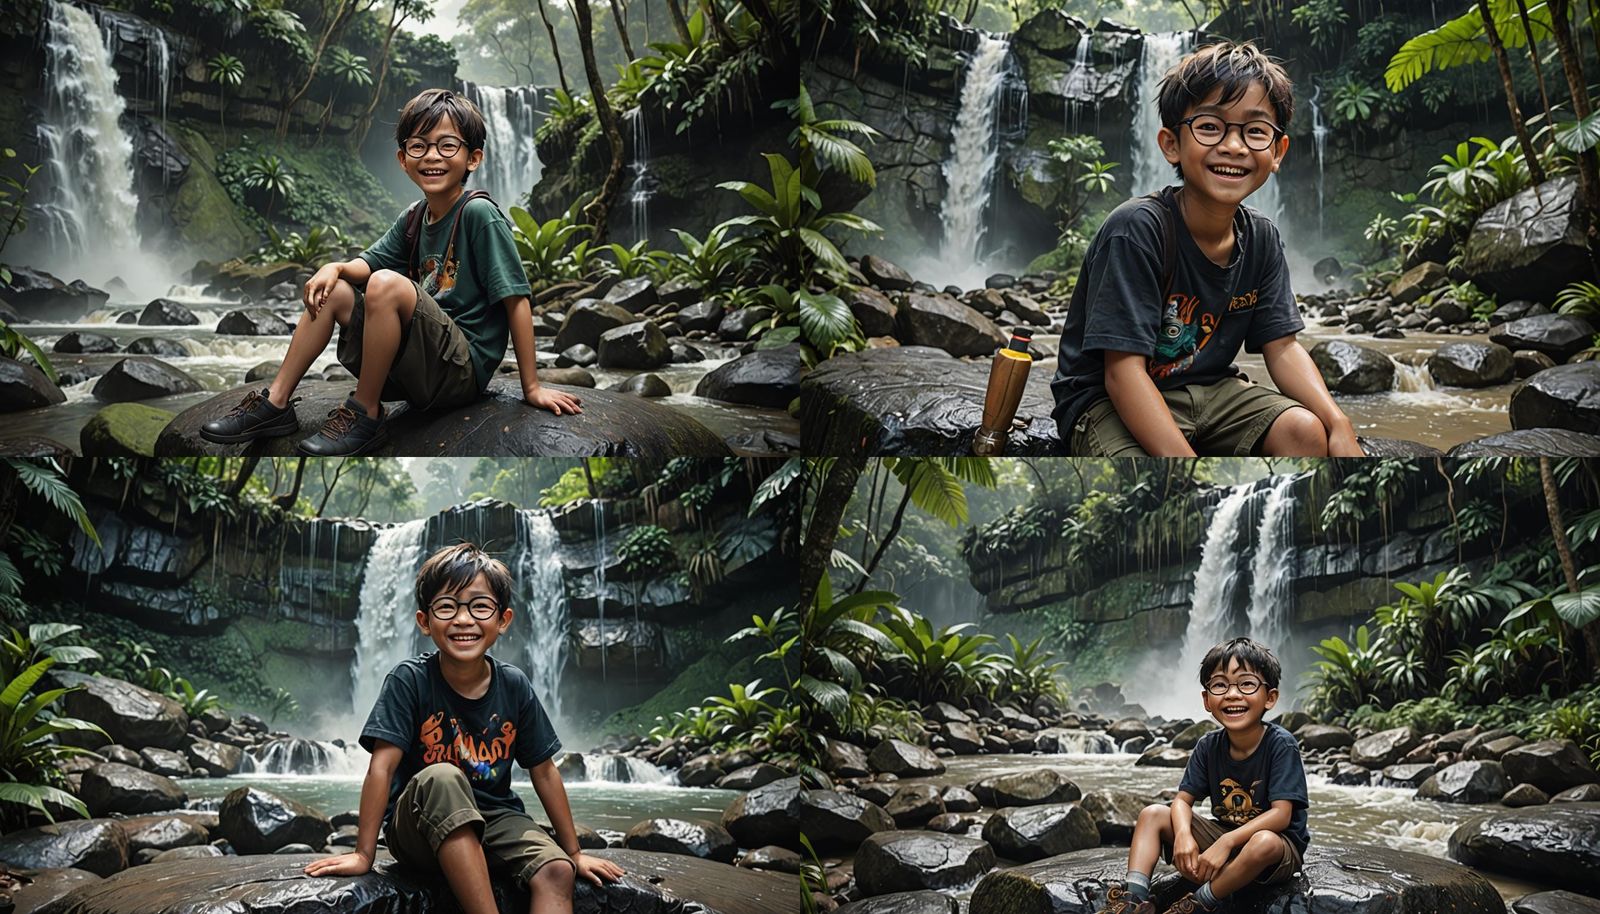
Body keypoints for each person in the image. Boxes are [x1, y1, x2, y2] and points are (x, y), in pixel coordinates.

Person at [200, 88, 581, 455]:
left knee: (385, 284)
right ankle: (277, 403)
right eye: (419, 146)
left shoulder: (479, 214)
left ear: (473, 158)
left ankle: (366, 412)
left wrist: (532, 387)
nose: (432, 156)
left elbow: (516, 300)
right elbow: (365, 264)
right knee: (335, 289)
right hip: (419, 367)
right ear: (403, 159)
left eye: (447, 146)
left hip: (461, 372)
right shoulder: (414, 218)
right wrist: (332, 266)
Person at [1050, 41, 1363, 457]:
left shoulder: (1262, 238)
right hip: (1108, 400)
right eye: (1211, 126)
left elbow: (1283, 347)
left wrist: (1337, 422)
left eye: (1255, 131)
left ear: (1277, 152)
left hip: (1213, 389)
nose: (1234, 146)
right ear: (1171, 144)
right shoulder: (1137, 229)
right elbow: (1122, 374)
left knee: (1306, 431)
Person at [304, 542, 624, 912]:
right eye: (446, 606)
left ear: (503, 620)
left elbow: (544, 771)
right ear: (424, 622)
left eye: (480, 606)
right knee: (443, 776)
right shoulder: (409, 680)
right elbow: (382, 767)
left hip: (493, 818)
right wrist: (364, 853)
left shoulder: (514, 685)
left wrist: (573, 853)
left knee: (556, 872)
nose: (463, 619)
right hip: (419, 828)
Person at [1099, 638, 1309, 914]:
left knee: (1264, 841)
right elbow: (1182, 801)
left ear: (1270, 697)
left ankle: (1198, 904)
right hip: (1224, 838)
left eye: (1246, 684)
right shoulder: (1208, 745)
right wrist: (1184, 835)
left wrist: (1226, 842)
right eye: (1220, 685)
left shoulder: (1280, 744)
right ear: (1207, 699)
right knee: (1152, 814)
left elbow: (1281, 815)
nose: (1233, 694)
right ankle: (1133, 901)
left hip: (1274, 852)